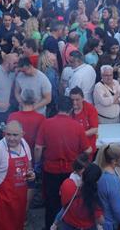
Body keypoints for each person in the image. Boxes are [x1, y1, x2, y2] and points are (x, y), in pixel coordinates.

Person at [35, 96, 93, 229]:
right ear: (71, 109)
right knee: (69, 201)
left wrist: (37, 164)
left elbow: (38, 147)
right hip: (70, 170)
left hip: (50, 169)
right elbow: (88, 150)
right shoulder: (77, 126)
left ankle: (50, 226)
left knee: (51, 202)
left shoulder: (46, 123)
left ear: (56, 108)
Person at [0, 120, 34, 230]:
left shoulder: (24, 144)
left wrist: (30, 173)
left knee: (18, 225)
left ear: (22, 134)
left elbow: (29, 163)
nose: (11, 138)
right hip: (5, 199)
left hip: (21, 198)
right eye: (8, 134)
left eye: (15, 135)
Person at [59, 162, 104, 230]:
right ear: (96, 182)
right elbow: (101, 220)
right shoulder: (93, 199)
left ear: (82, 174)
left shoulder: (67, 183)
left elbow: (61, 194)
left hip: (67, 224)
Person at [95, 143, 120, 230]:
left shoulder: (99, 171)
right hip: (109, 223)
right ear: (114, 161)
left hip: (99, 219)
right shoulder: (112, 181)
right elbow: (117, 209)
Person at [69, 87, 100, 156]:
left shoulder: (90, 108)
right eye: (72, 100)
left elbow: (94, 129)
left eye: (77, 100)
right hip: (72, 150)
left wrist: (79, 135)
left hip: (87, 150)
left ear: (83, 98)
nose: (74, 102)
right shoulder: (67, 109)